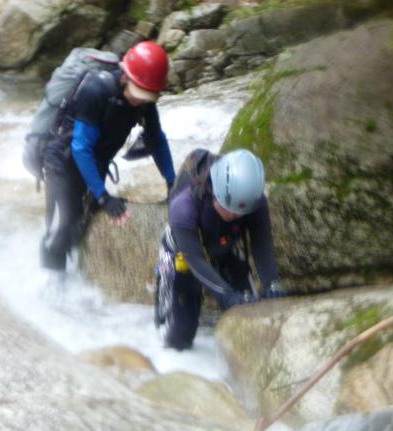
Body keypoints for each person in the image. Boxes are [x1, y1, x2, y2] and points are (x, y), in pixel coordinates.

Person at [40, 41, 176, 271]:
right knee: (63, 224)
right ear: (125, 76)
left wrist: (172, 181)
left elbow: (157, 141)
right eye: (138, 94)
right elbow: (80, 148)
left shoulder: (145, 104)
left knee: (84, 219)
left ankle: (78, 270)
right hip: (62, 162)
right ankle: (51, 283)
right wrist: (103, 196)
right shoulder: (97, 91)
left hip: (95, 161)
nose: (140, 101)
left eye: (147, 96)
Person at [155, 148, 284, 350]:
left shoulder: (255, 201)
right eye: (230, 210)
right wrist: (226, 295)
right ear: (215, 193)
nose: (235, 216)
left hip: (223, 244)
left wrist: (272, 283)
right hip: (184, 250)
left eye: (241, 213)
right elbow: (195, 260)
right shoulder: (183, 206)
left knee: (248, 316)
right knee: (179, 339)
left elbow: (262, 244)